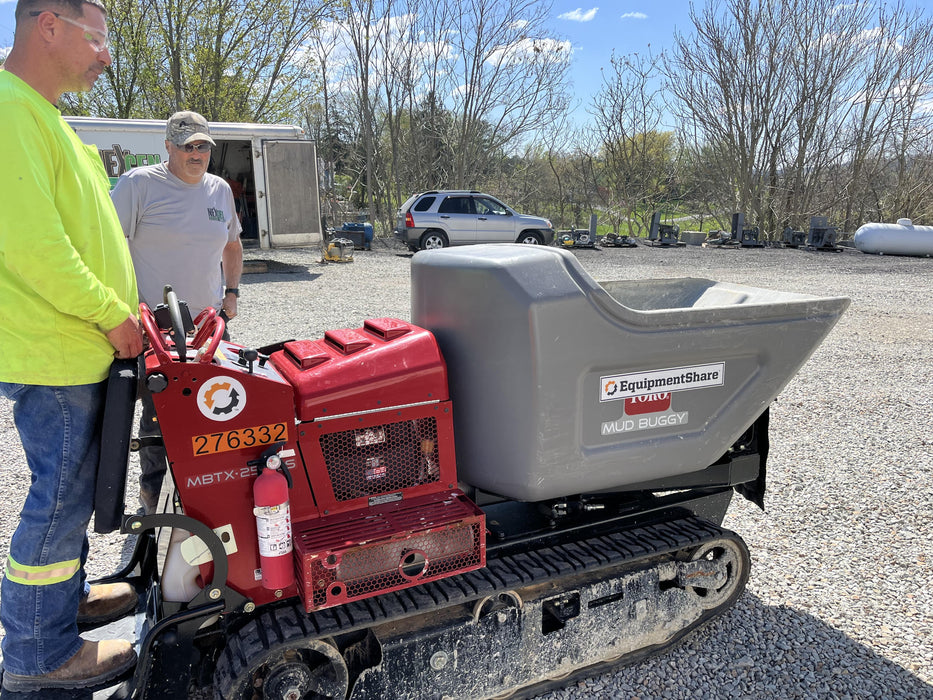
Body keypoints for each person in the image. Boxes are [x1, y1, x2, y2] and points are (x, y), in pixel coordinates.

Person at [0, 0, 143, 692]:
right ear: (47, 24)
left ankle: (63, 606)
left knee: (76, 496)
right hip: (58, 350)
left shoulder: (41, 115)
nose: (106, 54)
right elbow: (36, 250)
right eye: (98, 37)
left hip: (74, 349)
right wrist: (113, 315)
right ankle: (37, 658)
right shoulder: (8, 109)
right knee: (58, 504)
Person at [111, 110, 243, 514]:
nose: (196, 153)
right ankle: (153, 503)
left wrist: (232, 293)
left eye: (203, 145)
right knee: (159, 421)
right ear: (168, 146)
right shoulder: (139, 185)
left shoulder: (219, 190)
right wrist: (123, 309)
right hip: (156, 329)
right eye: (187, 146)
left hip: (208, 328)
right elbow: (109, 249)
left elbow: (232, 246)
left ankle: (207, 500)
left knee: (216, 412)